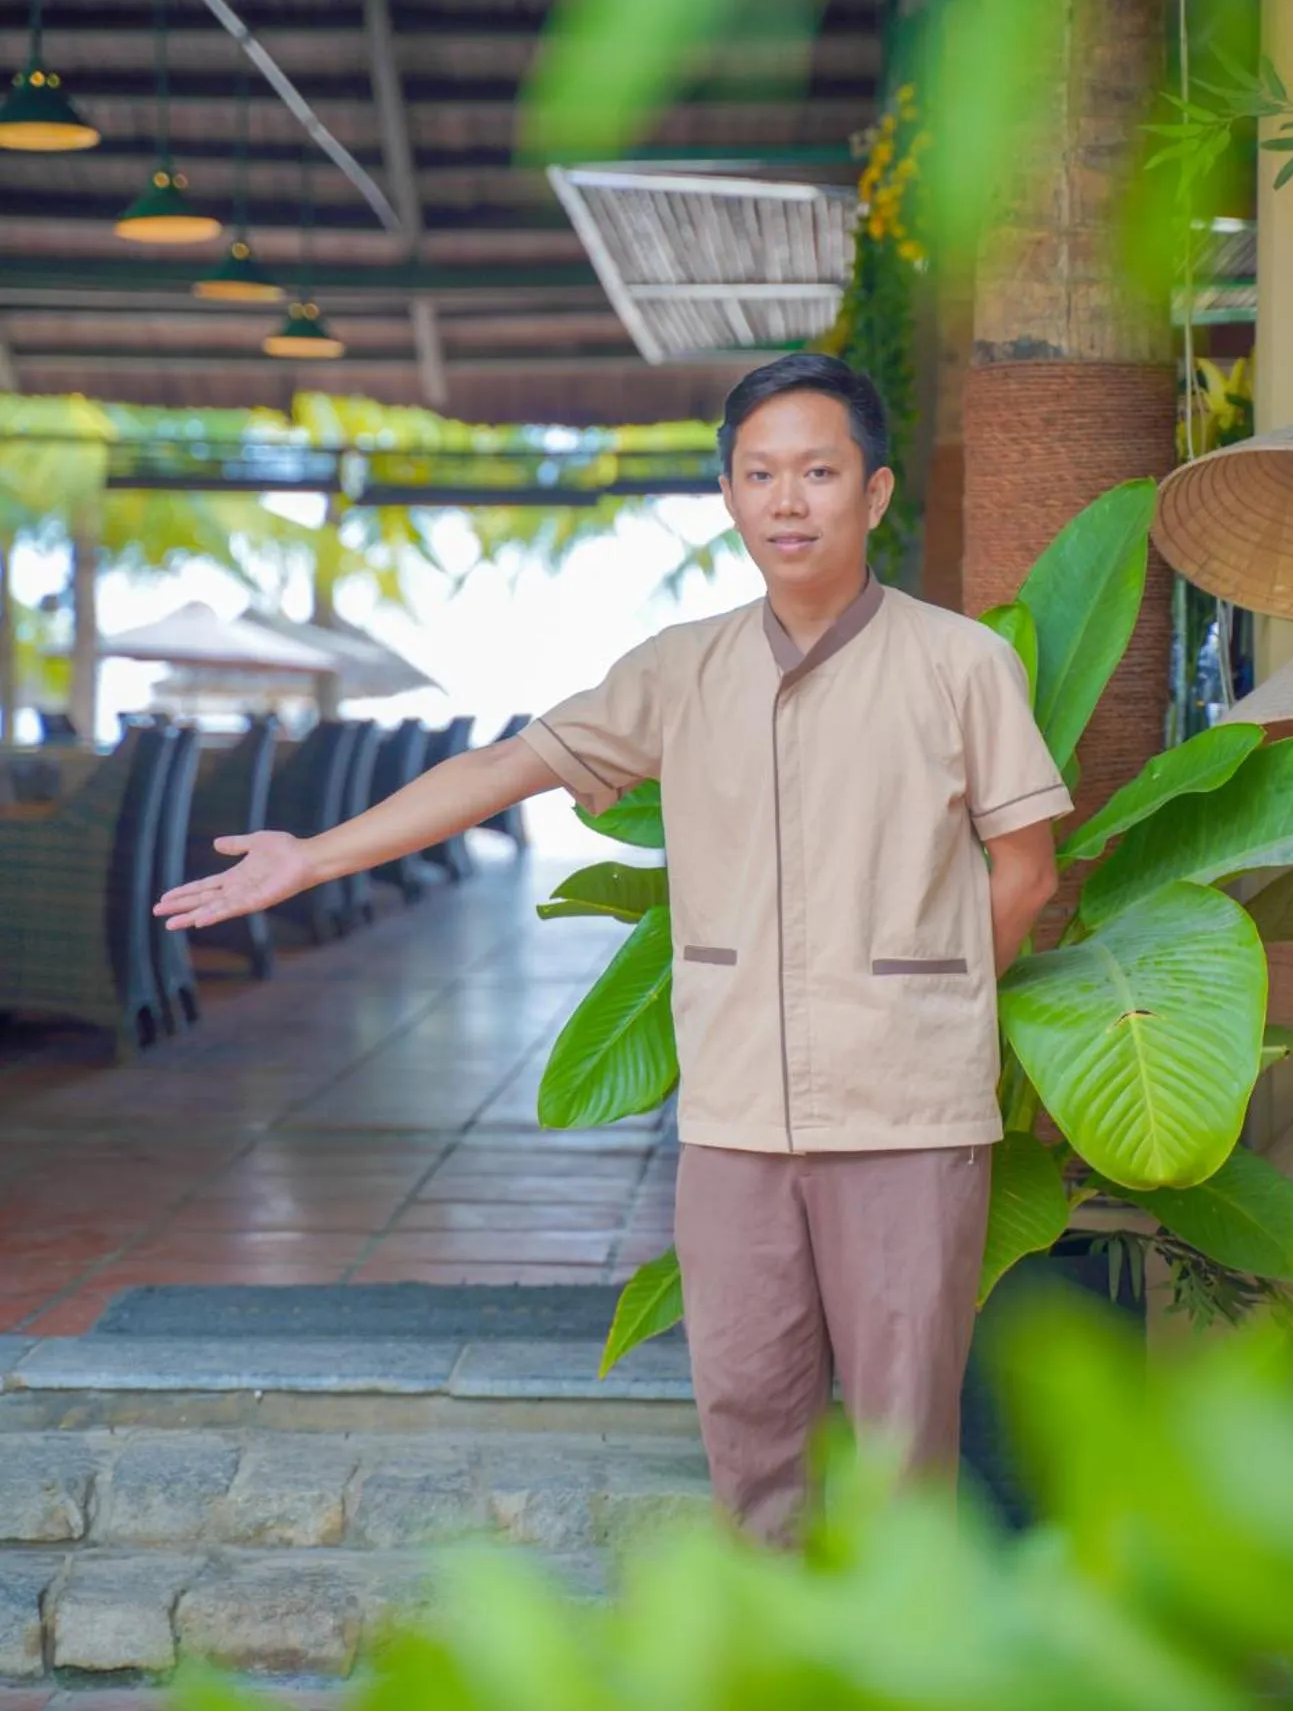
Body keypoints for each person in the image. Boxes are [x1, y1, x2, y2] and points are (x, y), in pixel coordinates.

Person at [157, 353, 1070, 1545]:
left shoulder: (960, 663)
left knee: (903, 1433)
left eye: (818, 471)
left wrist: (929, 1014)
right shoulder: (679, 668)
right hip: (734, 1116)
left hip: (908, 1118)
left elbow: (1026, 869)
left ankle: (900, 1640)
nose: (788, 500)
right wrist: (315, 855)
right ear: (730, 497)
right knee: (748, 1413)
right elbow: (505, 765)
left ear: (875, 490)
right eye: (760, 475)